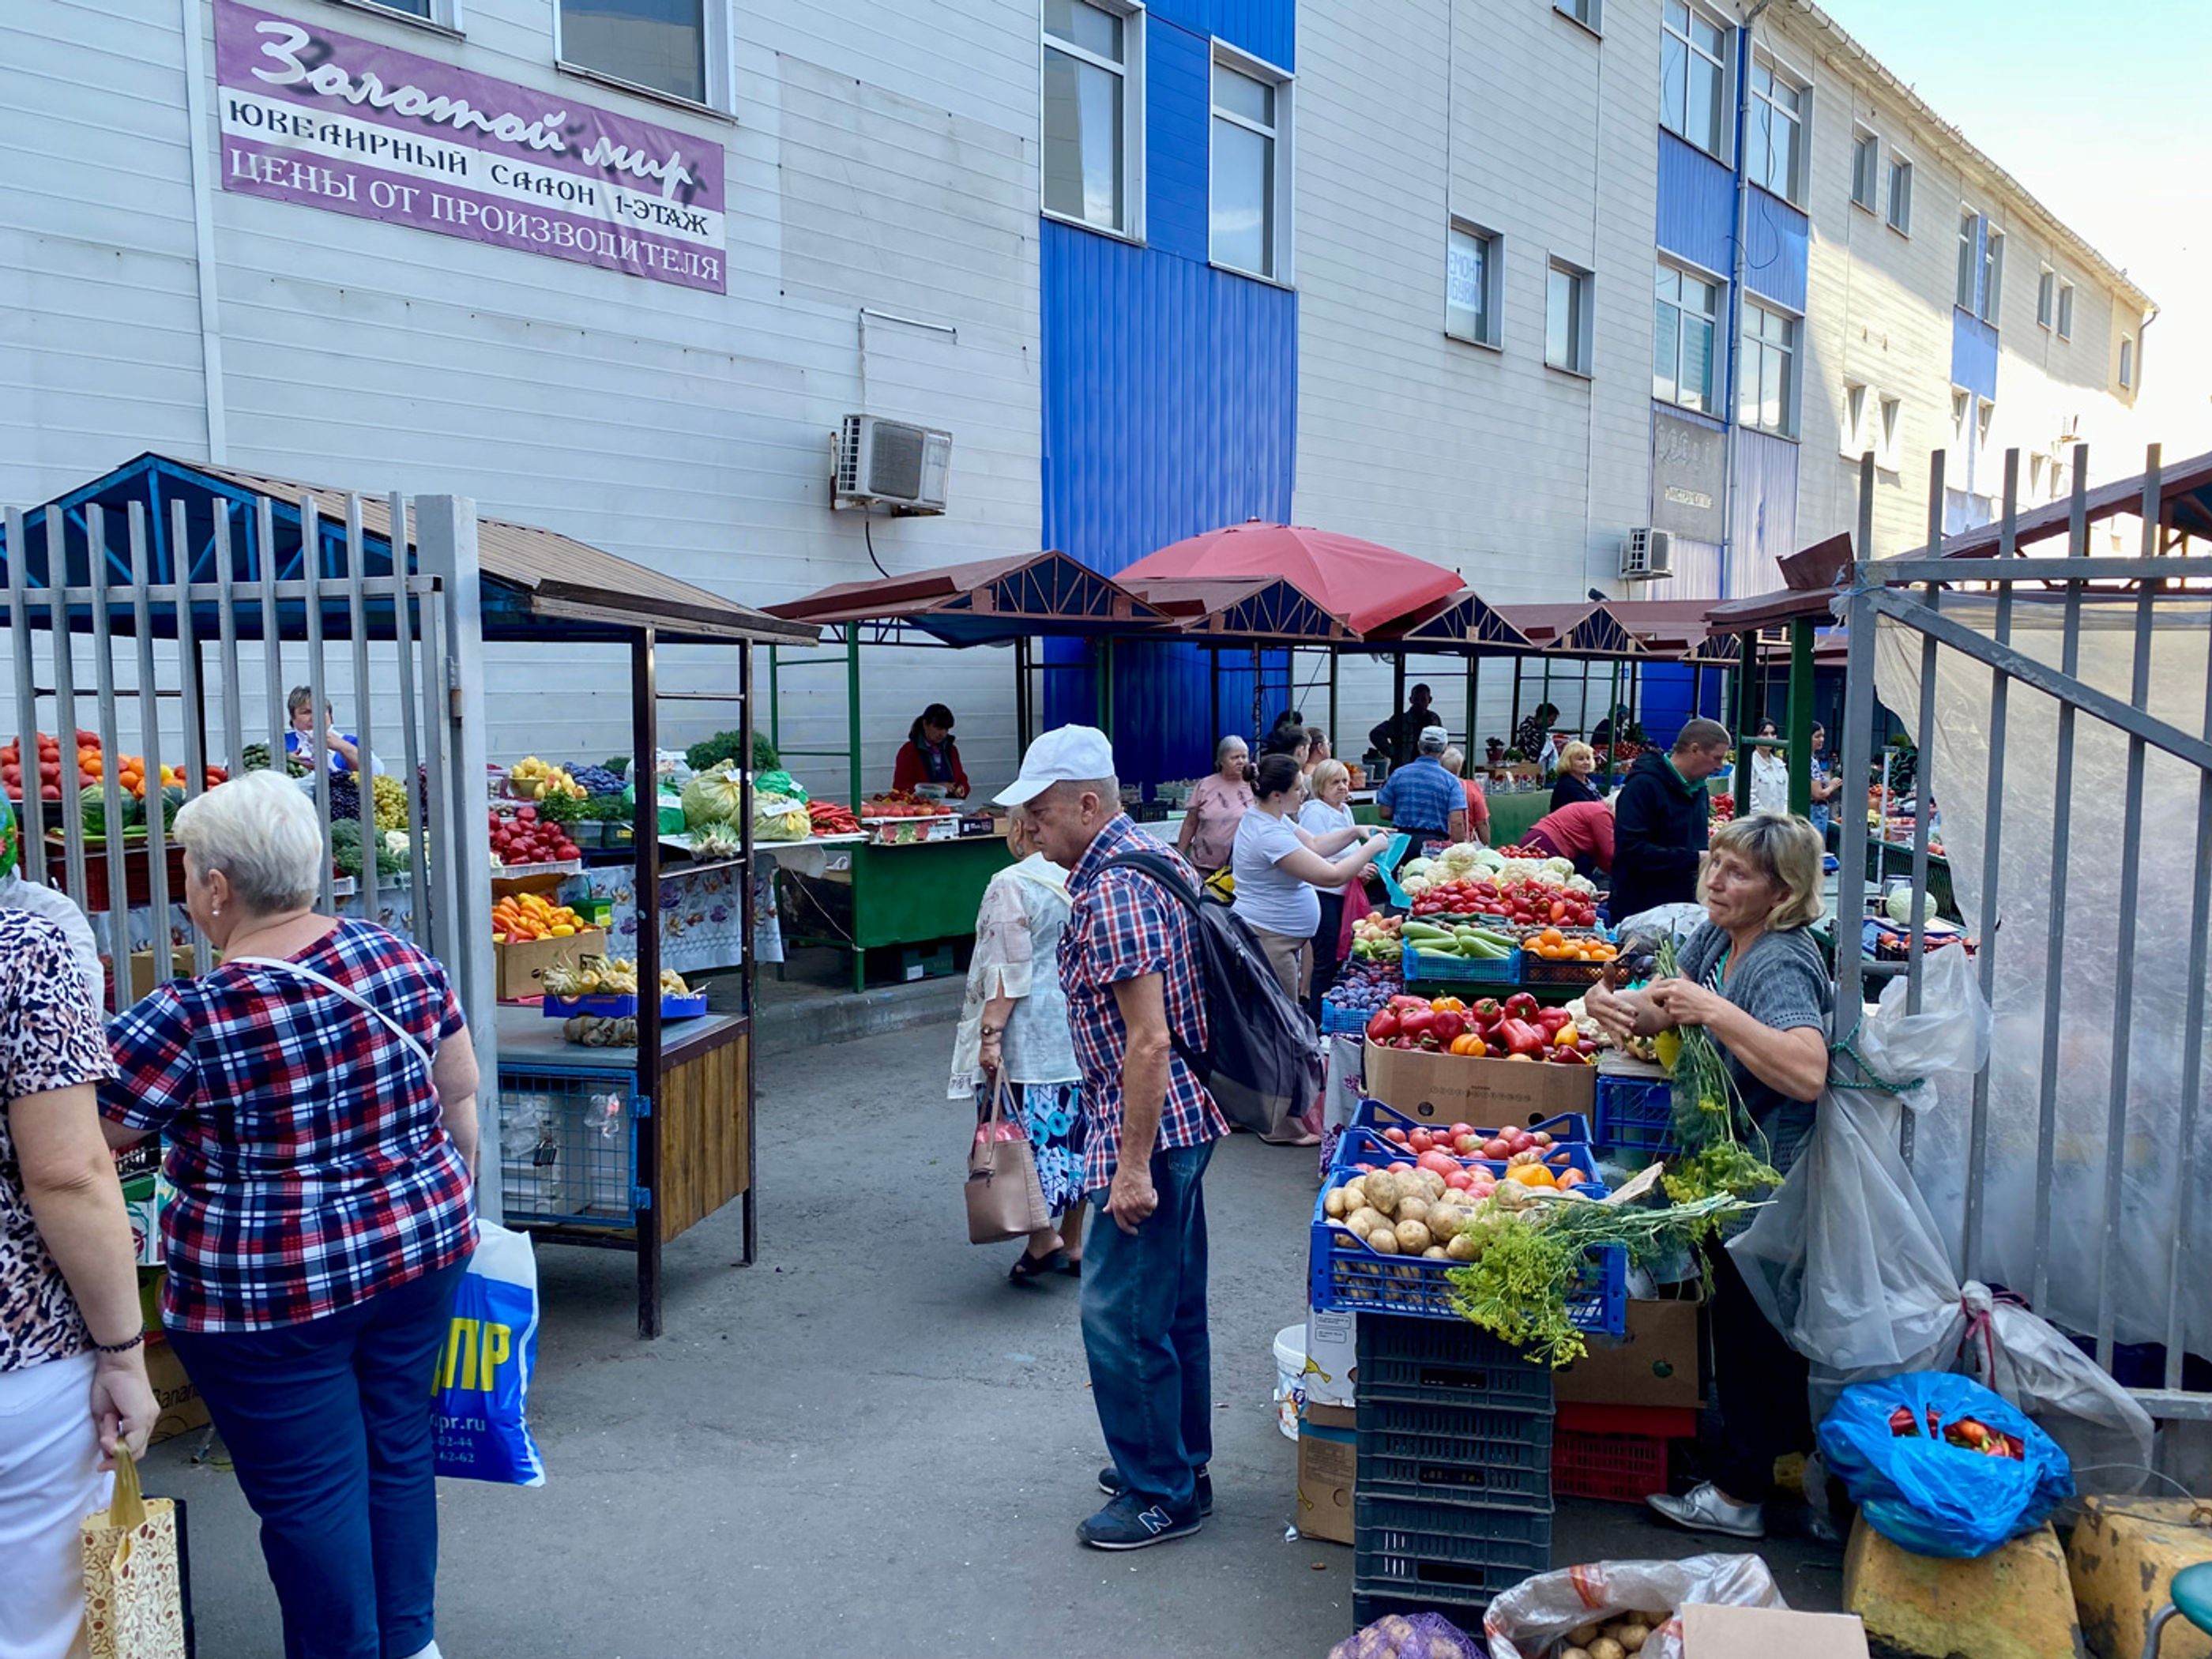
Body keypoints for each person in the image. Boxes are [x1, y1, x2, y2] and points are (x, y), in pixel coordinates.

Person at [99, 770, 481, 1659]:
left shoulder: (193, 1016)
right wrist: (433, 1209)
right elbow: (458, 1104)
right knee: (396, 1448)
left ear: (218, 888)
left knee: (312, 1493)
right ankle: (409, 1644)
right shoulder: (401, 960)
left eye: (189, 869)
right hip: (420, 1254)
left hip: (271, 1300)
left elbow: (80, 1144)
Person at [999, 726, 1228, 1552]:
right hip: (1177, 1121)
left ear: (1087, 803)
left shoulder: (1115, 889)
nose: (1029, 829)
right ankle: (1179, 1465)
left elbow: (1149, 1042)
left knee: (1122, 1317)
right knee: (1171, 1309)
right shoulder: (1143, 859)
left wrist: (1130, 1168)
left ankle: (1158, 1490)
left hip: (1154, 1129)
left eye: (1040, 812)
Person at [1583, 814, 1832, 1540]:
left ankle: (1740, 1494)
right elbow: (1663, 1003)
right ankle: (1762, 1460)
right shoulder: (1718, 938)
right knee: (1738, 1317)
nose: (1716, 882)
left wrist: (1715, 1011)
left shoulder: (1780, 958)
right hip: (1722, 1157)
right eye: (1714, 864)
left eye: (1739, 873)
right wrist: (1612, 1002)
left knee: (1755, 1329)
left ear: (1783, 891)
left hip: (1768, 1173)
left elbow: (1807, 1070)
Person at [1, 908, 158, 1659]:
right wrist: (125, 1356)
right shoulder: (24, 950)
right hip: (22, 1358)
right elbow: (66, 1172)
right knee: (36, 1630)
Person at [948, 804, 1087, 1284]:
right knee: (1072, 1141)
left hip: (1030, 1036)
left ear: (1021, 829)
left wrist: (990, 1036)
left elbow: (1006, 970)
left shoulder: (1012, 883)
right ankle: (1072, 1241)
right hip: (1074, 1028)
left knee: (1023, 1143)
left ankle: (1041, 1238)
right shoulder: (1077, 876)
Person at [1231, 754, 1387, 1005]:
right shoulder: (1268, 834)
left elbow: (1315, 844)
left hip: (1279, 937)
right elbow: (1331, 876)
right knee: (1280, 1016)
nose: (1304, 792)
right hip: (1271, 938)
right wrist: (1370, 848)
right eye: (1297, 787)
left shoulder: (1271, 817)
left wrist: (1355, 831)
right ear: (1276, 795)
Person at [1608, 717, 1732, 924]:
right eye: (1716, 758)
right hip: (1642, 910)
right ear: (1695, 749)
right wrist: (1695, 859)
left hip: (1684, 907)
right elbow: (1632, 851)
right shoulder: (1643, 786)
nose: (1720, 767)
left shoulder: (1699, 788)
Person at [1297, 758, 1362, 1018]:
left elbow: (1351, 849)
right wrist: (1354, 865)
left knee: (1340, 954)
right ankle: (1315, 1016)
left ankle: (1331, 1011)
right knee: (1325, 957)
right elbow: (1314, 853)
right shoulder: (1315, 812)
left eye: (1345, 781)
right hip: (1322, 893)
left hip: (1344, 893)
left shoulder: (1345, 811)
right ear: (1320, 787)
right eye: (1335, 782)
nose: (1343, 787)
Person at [1375, 726, 1469, 848]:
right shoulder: (1451, 781)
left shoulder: (1398, 774)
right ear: (1444, 749)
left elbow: (1384, 812)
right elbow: (1457, 822)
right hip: (1434, 845)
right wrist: (1460, 849)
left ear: (1419, 746)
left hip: (1399, 843)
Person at [1176, 736, 1253, 877]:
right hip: (1203, 865)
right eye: (1235, 757)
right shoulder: (1205, 786)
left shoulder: (1255, 786)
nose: (1241, 762)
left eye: (1244, 757)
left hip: (1240, 868)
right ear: (1222, 761)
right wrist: (1179, 855)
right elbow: (1190, 823)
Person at [285, 685, 380, 778]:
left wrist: (344, 747)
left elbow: (377, 773)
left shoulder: (353, 742)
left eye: (321, 710)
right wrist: (287, 761)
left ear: (330, 714)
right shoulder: (278, 744)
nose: (315, 717)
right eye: (306, 712)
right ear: (293, 717)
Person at [1524, 796, 1616, 880]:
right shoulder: (1601, 814)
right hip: (1545, 842)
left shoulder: (1596, 809)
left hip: (1542, 839)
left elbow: (1600, 855)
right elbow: (1610, 852)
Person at [893, 702, 969, 798]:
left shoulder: (951, 750)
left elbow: (961, 778)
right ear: (925, 724)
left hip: (950, 807)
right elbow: (900, 786)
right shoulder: (909, 751)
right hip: (920, 808)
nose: (943, 734)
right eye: (938, 728)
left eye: (946, 729)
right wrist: (935, 788)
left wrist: (962, 788)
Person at [1367, 683, 1445, 770]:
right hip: (1405, 766)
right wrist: (1392, 752)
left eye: (1423, 699)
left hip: (1428, 767)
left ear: (1429, 700)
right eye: (1416, 699)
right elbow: (1376, 734)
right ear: (1411, 700)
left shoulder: (1434, 719)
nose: (1419, 702)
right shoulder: (1401, 720)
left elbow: (1441, 741)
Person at [1438, 745, 1492, 845]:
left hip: (1437, 844)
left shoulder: (1435, 788)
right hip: (1466, 845)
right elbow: (1482, 823)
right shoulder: (1472, 788)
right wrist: (1486, 846)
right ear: (1460, 766)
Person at [1807, 724, 1845, 841]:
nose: (1821, 740)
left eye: (1823, 736)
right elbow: (1818, 794)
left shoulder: (1812, 759)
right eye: (1817, 736)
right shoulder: (1811, 762)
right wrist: (1832, 786)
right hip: (1815, 812)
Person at [1747, 720, 1791, 817]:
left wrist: (1783, 817)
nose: (1770, 738)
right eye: (1765, 734)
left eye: (1773, 734)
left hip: (1781, 823)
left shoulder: (1780, 765)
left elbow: (1787, 796)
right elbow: (1750, 800)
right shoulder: (1749, 764)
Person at [1549, 740, 1605, 813]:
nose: (1586, 762)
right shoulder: (1567, 785)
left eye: (1588, 758)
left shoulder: (1587, 781)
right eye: (1581, 759)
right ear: (1568, 761)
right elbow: (1590, 809)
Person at [1514, 701, 1560, 768]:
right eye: (1551, 720)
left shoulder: (1541, 731)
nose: (1553, 724)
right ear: (1542, 717)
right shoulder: (1527, 729)